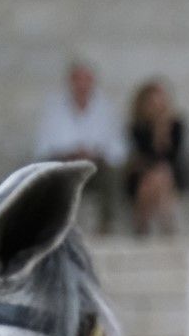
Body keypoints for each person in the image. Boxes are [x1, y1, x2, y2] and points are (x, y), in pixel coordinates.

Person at [32, 59, 127, 233]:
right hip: (65, 166)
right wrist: (70, 153)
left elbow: (118, 150)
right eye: (78, 79)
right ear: (70, 82)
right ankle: (53, 227)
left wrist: (94, 153)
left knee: (112, 174)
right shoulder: (54, 109)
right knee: (50, 174)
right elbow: (43, 148)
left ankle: (107, 224)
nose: (82, 85)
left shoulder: (106, 109)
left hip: (95, 168)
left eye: (86, 79)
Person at [123, 78, 186, 237]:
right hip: (142, 175)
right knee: (152, 179)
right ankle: (167, 227)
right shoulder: (137, 128)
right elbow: (144, 154)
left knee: (161, 174)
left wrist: (163, 131)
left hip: (169, 175)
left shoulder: (177, 126)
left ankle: (142, 226)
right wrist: (156, 132)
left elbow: (172, 157)